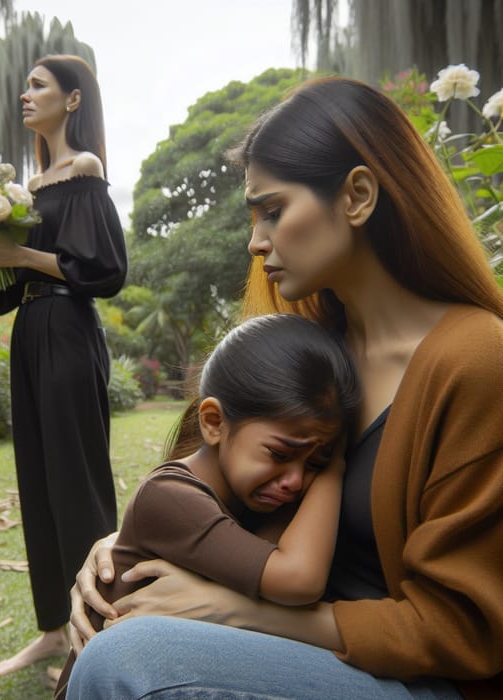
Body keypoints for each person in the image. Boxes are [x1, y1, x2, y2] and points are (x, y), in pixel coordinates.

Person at [65, 76, 503, 700]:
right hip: (298, 648)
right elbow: (212, 483)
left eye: (273, 210)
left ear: (356, 195)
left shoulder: (477, 360)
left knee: (129, 662)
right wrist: (119, 551)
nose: (256, 241)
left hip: (417, 679)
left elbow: (465, 630)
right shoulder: (311, 350)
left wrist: (235, 611)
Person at [0, 54, 128, 677]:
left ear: (71, 100)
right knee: (38, 480)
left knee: (77, 480)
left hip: (69, 330)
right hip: (31, 330)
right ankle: (51, 627)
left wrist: (25, 255)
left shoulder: (85, 169)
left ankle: (98, 631)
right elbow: (9, 288)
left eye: (38, 85)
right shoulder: (28, 190)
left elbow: (102, 269)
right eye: (26, 84)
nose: (25, 94)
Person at [53, 312, 360, 696]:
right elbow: (299, 580)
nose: (296, 480)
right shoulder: (169, 497)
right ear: (214, 422)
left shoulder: (249, 496)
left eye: (313, 462)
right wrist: (333, 466)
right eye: (281, 454)